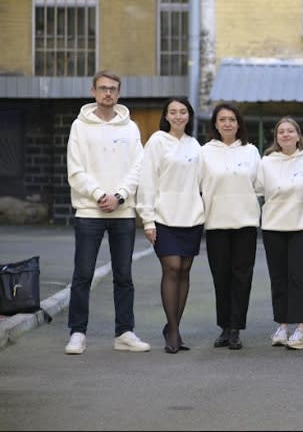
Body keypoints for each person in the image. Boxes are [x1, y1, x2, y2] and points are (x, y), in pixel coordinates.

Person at [64, 69, 150, 355]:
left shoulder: (131, 127)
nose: (108, 93)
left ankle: (124, 333)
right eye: (102, 88)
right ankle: (77, 333)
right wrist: (101, 195)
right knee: (83, 275)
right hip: (90, 211)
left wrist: (121, 197)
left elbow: (139, 167)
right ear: (93, 92)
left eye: (113, 88)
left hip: (122, 213)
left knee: (124, 276)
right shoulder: (80, 127)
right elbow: (75, 170)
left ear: (119, 92)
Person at [136, 97, 204, 354]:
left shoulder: (195, 145)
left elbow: (202, 182)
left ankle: (174, 326)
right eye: (173, 112)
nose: (178, 116)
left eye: (182, 112)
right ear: (166, 116)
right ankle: (172, 330)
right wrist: (147, 219)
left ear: (189, 115)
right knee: (172, 267)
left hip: (192, 217)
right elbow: (147, 181)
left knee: (184, 270)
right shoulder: (157, 141)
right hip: (163, 217)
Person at [199, 103, 261, 350]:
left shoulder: (251, 151)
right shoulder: (205, 152)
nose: (227, 123)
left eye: (232, 119)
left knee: (242, 276)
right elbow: (198, 185)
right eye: (222, 119)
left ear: (239, 124)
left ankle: (236, 328)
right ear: (215, 123)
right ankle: (224, 326)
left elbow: (259, 184)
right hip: (216, 222)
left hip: (245, 222)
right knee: (221, 277)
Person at [255, 117, 303, 350]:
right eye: (281, 132)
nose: (285, 135)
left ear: (298, 135)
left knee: (298, 277)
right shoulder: (267, 162)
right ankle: (282, 325)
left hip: (301, 226)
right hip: (273, 226)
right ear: (276, 137)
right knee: (278, 278)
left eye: (290, 131)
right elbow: (259, 190)